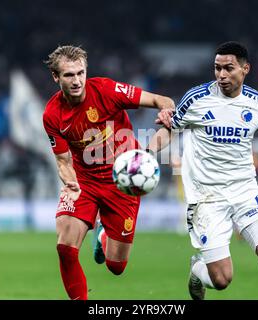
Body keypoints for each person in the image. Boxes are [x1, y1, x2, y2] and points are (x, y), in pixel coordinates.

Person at [148, 41, 258, 300]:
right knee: (221, 280)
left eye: (228, 68)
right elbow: (169, 130)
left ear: (245, 69)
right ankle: (198, 269)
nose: (221, 75)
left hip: (246, 191)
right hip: (207, 198)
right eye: (217, 68)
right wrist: (146, 154)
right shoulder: (196, 99)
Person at [42, 45, 175, 300]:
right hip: (85, 182)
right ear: (56, 77)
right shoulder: (52, 115)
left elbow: (161, 100)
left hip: (124, 180)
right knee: (65, 248)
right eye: (69, 75)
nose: (77, 80)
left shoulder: (106, 90)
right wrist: (70, 184)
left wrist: (167, 114)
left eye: (81, 72)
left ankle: (102, 234)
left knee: (116, 266)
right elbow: (62, 160)